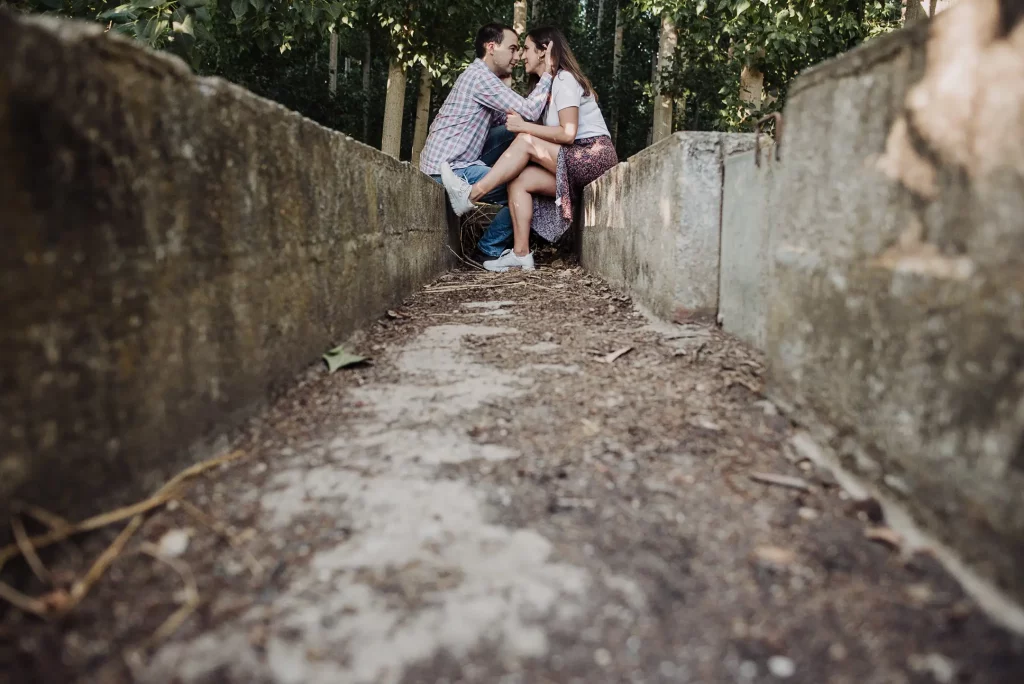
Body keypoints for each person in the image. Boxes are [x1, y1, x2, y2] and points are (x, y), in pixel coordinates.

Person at [440, 26, 618, 272]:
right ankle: (521, 253)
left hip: (592, 155)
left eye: (526, 49)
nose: (522, 56)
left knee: (525, 140)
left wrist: (525, 128)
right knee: (519, 179)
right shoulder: (549, 88)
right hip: (571, 159)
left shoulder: (565, 79)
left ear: (544, 52)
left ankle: (470, 195)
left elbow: (568, 133)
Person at [419, 23, 554, 262]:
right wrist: (547, 75)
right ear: (491, 47)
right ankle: (487, 249)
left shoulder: (484, 78)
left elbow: (514, 122)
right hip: (448, 170)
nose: (518, 56)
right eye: (512, 49)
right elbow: (530, 111)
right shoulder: (480, 77)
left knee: (512, 132)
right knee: (527, 189)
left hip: (456, 160)